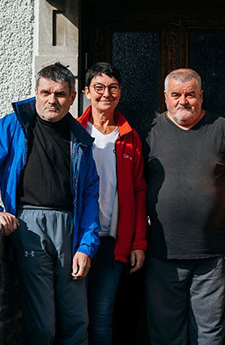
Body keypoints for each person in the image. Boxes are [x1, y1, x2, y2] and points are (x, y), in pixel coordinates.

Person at [0, 62, 100, 345]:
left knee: (77, 321)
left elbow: (90, 196)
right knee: (42, 325)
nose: (52, 100)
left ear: (73, 98)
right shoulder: (15, 124)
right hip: (29, 228)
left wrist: (86, 246)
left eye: (60, 94)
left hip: (70, 231)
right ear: (35, 92)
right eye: (46, 92)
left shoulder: (81, 138)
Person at [144, 68, 225, 345]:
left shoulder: (223, 128)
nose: (183, 101)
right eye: (176, 95)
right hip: (162, 253)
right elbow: (136, 187)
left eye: (190, 95)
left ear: (200, 95)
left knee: (209, 335)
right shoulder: (150, 130)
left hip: (212, 255)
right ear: (165, 97)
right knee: (165, 335)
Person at [77, 62, 147, 345]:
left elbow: (140, 191)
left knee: (103, 316)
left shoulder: (130, 137)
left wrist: (139, 241)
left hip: (114, 240)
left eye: (113, 88)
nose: (106, 94)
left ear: (120, 92)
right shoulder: (75, 133)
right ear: (86, 92)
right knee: (74, 315)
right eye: (99, 88)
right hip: (78, 237)